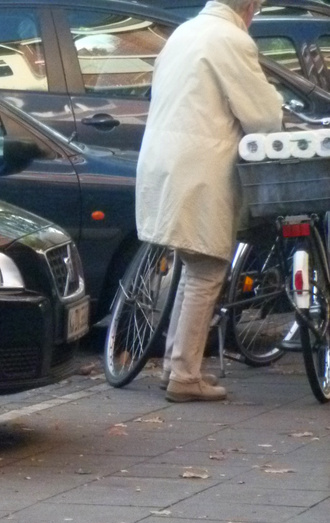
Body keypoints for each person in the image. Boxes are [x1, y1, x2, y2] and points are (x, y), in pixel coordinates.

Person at [136, 0, 282, 402]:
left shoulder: (183, 32)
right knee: (208, 268)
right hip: (202, 165)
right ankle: (186, 375)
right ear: (248, 7)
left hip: (164, 159)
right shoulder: (230, 39)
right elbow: (264, 115)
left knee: (192, 263)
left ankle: (174, 364)